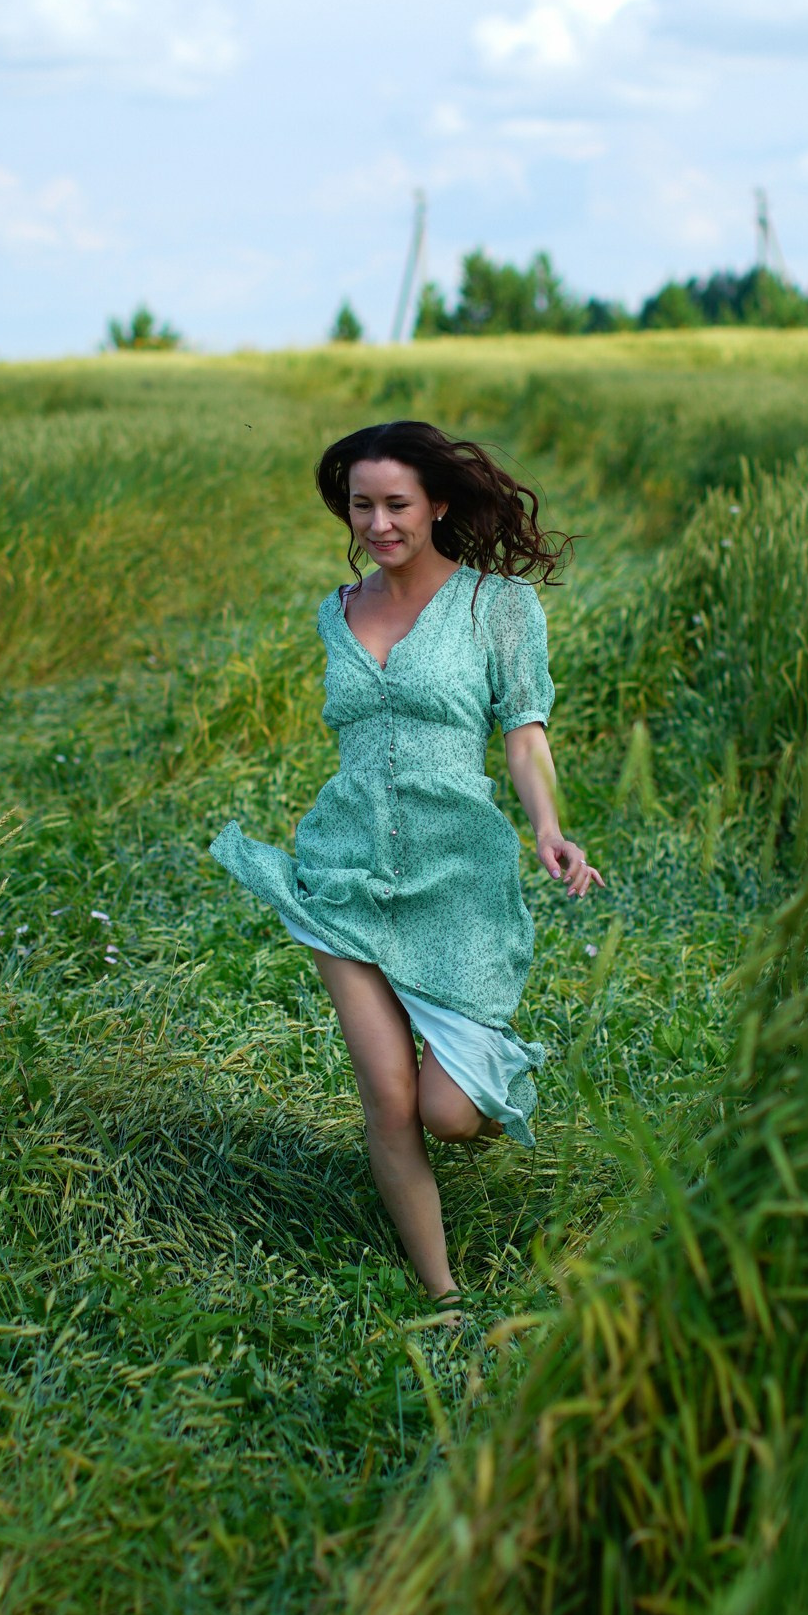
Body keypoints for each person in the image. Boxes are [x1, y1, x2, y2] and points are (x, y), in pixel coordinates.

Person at [211, 419, 602, 1301]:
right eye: (362, 506)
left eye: (396, 504)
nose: (378, 524)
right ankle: (443, 1300)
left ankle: (495, 1086)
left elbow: (524, 731)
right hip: (343, 874)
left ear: (437, 505)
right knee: (388, 1100)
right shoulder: (337, 612)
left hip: (457, 876)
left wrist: (546, 825)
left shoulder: (495, 607)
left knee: (450, 1114)